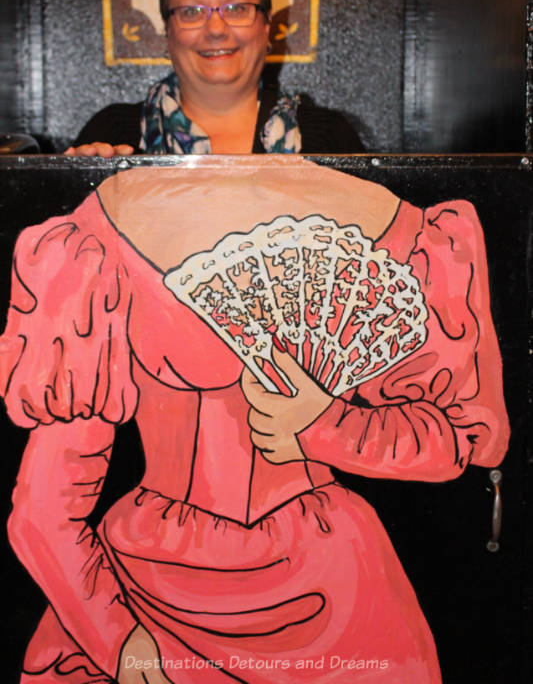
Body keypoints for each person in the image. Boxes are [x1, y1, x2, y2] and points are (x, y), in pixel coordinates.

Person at [0, 155, 509, 683]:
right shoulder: (99, 238)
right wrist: (119, 639)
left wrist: (325, 425)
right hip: (147, 597)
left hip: (338, 601)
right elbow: (41, 510)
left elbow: (453, 439)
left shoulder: (404, 229)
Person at [65, 0, 363, 157]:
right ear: (168, 31)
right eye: (192, 12)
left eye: (236, 8)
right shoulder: (112, 135)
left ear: (266, 26)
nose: (217, 30)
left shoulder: (330, 140)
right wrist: (77, 186)